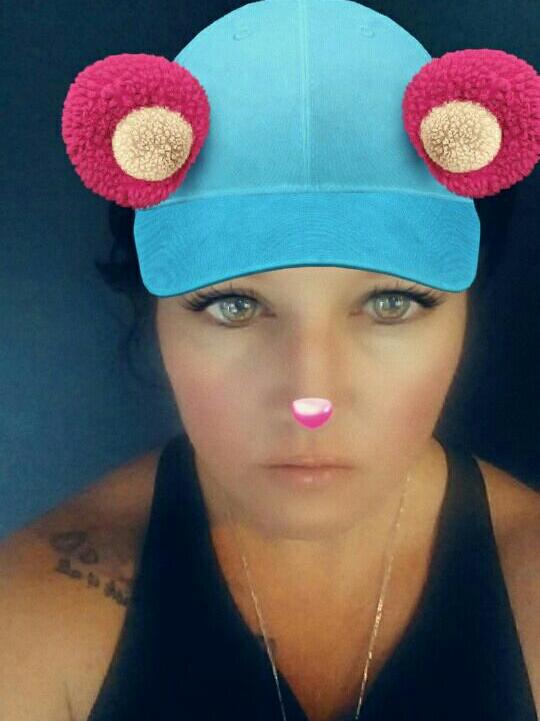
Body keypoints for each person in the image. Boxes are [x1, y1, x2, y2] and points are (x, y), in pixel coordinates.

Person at [1, 1, 539, 720]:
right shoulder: (31, 617)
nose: (311, 395)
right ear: (153, 315)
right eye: (234, 306)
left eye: (390, 303)